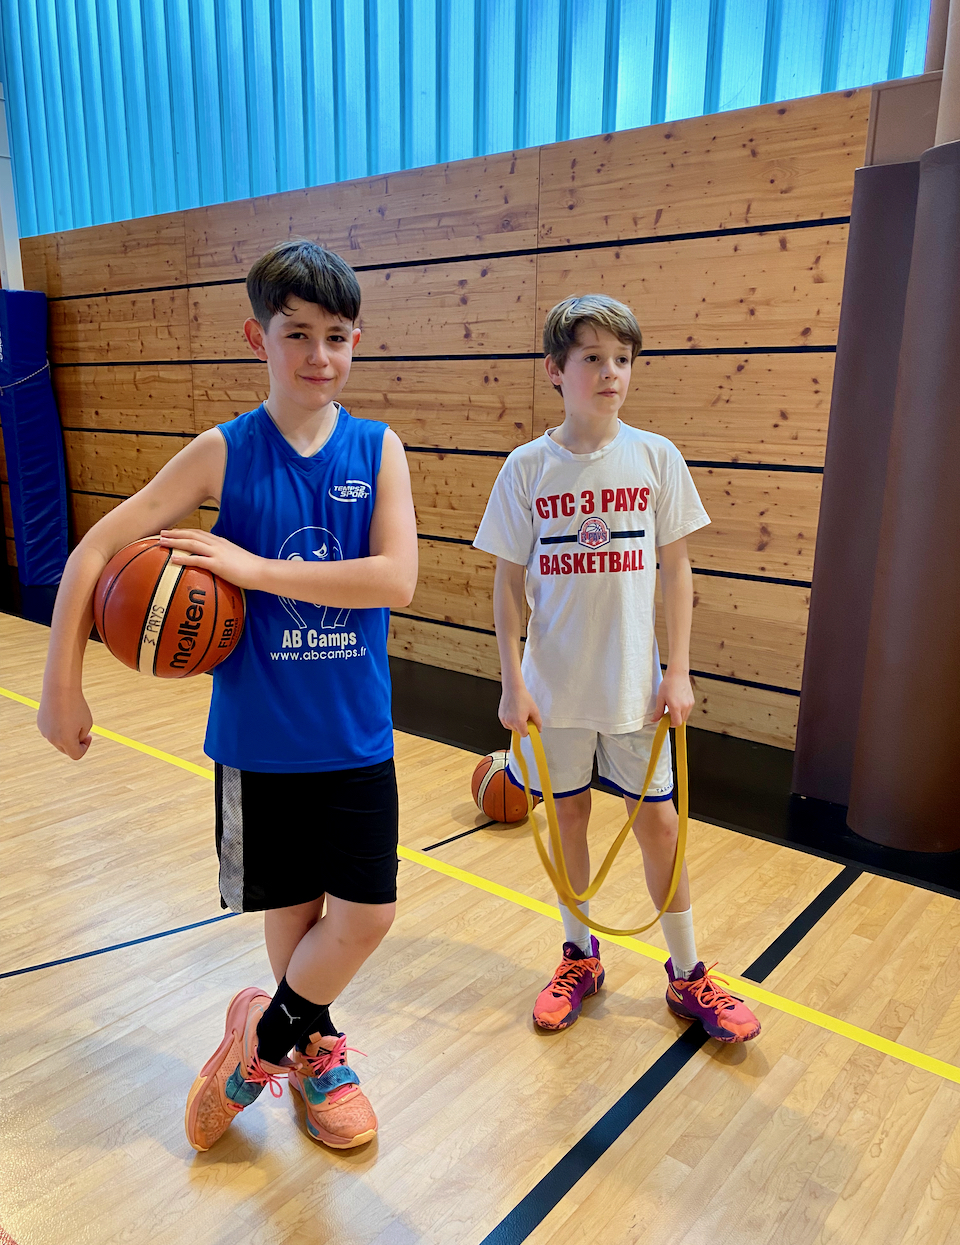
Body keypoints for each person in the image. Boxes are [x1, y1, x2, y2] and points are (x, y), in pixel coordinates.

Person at [37, 240, 419, 1150]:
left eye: (337, 337)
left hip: (356, 735)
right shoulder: (224, 451)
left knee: (368, 915)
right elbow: (95, 550)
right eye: (298, 335)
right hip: (260, 740)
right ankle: (314, 1056)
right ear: (258, 338)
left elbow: (396, 578)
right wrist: (62, 684)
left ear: (357, 341)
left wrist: (253, 567)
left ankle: (258, 1045)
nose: (319, 356)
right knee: (293, 910)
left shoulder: (378, 448)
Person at [473, 294, 760, 1044]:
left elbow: (677, 569)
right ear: (555, 370)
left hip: (636, 690)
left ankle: (688, 973)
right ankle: (579, 957)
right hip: (554, 691)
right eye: (593, 358)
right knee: (569, 816)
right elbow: (506, 585)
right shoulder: (527, 468)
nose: (611, 373)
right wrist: (511, 681)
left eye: (623, 360)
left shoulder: (656, 457)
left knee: (660, 827)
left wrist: (679, 670)